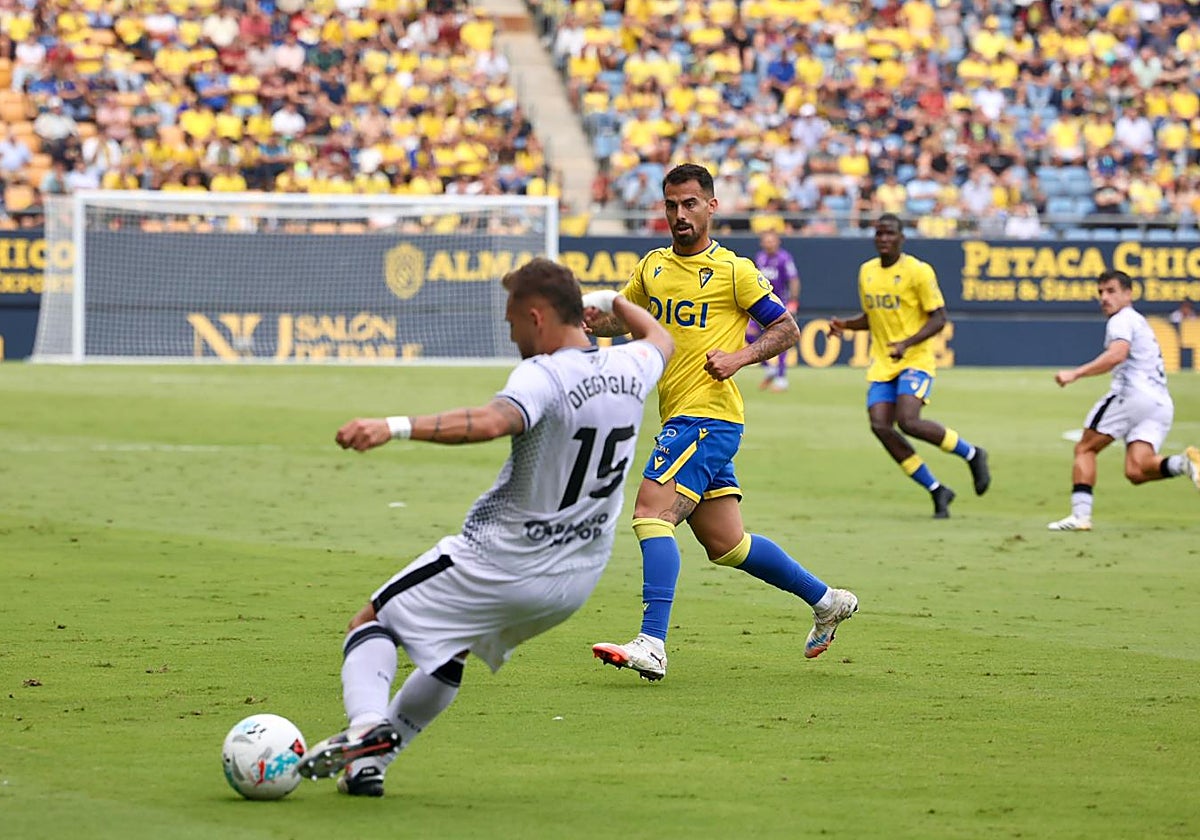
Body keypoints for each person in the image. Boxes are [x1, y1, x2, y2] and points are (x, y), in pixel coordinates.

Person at [297, 258, 672, 796]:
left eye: (513, 321)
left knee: (370, 624)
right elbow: (661, 337)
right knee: (448, 648)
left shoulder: (543, 374)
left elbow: (493, 421)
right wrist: (614, 301)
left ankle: (365, 727)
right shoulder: (633, 364)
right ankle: (368, 767)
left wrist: (393, 426)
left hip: (502, 558)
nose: (511, 332)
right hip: (575, 581)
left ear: (538, 317)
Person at [583, 163, 858, 682]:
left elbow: (787, 328)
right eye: (670, 205)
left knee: (650, 514)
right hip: (684, 413)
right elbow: (627, 318)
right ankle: (826, 601)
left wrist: (740, 357)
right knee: (728, 544)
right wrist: (595, 323)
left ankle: (653, 643)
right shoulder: (652, 266)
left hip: (706, 414)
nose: (679, 214)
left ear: (712, 206)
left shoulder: (734, 270)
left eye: (689, 204)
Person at [829, 214, 990, 519]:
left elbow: (939, 317)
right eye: (879, 234)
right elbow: (872, 317)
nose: (883, 239)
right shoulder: (867, 272)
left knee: (909, 420)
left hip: (915, 359)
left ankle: (972, 453)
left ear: (902, 237)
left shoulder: (918, 271)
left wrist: (906, 343)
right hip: (884, 363)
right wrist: (845, 325)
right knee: (880, 425)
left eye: (889, 233)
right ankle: (936, 489)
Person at [1048, 269, 1199, 531]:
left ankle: (1080, 516)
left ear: (1128, 294)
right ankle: (1185, 463)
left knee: (1085, 448)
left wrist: (1076, 373)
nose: (1104, 298)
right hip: (1160, 403)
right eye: (1100, 293)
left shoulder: (1121, 320)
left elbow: (1117, 354)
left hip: (1132, 395)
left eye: (1111, 291)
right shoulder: (1139, 322)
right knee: (1137, 470)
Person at [749, 231, 801, 391]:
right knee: (749, 332)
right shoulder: (760, 258)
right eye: (766, 241)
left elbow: (793, 280)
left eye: (772, 241)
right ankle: (768, 368)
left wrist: (793, 301)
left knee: (782, 337)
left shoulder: (784, 258)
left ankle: (781, 377)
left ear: (778, 242)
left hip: (779, 303)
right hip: (762, 303)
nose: (769, 244)